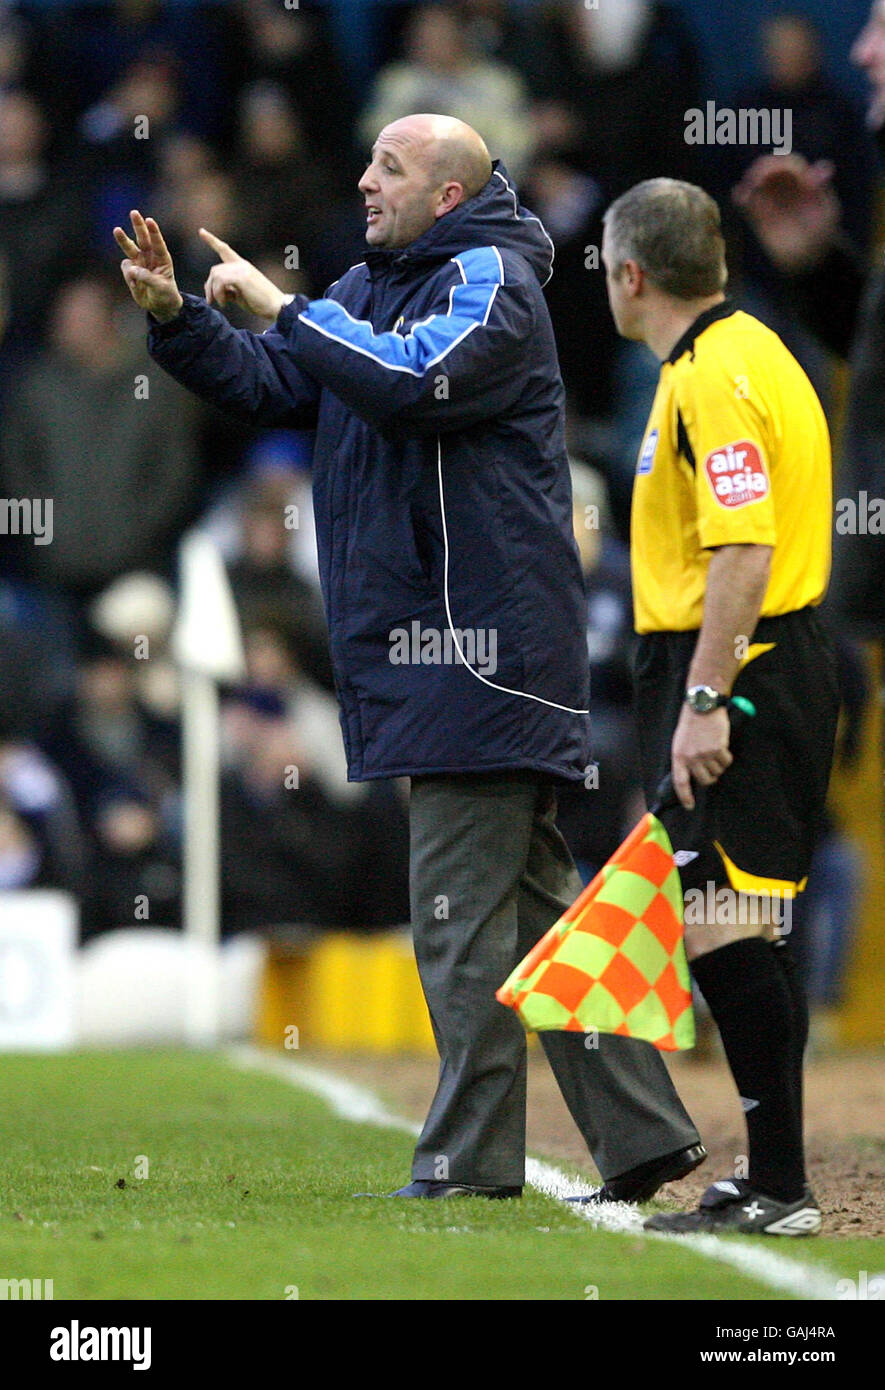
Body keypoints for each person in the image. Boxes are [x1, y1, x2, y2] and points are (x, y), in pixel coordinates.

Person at [115, 113, 704, 1202]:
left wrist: (289, 309)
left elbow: (404, 382)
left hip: (476, 657)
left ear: (445, 192)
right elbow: (280, 385)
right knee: (524, 914)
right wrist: (182, 320)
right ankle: (641, 1131)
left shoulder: (491, 276)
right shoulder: (378, 281)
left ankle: (466, 1168)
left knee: (454, 921)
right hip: (428, 657)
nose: (363, 178)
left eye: (388, 165)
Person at [601, 177, 839, 1234]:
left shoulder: (712, 375)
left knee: (721, 919)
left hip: (740, 666)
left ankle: (782, 1184)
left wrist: (705, 696)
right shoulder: (735, 356)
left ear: (630, 275)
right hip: (748, 659)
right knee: (749, 922)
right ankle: (772, 1172)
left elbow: (744, 546)